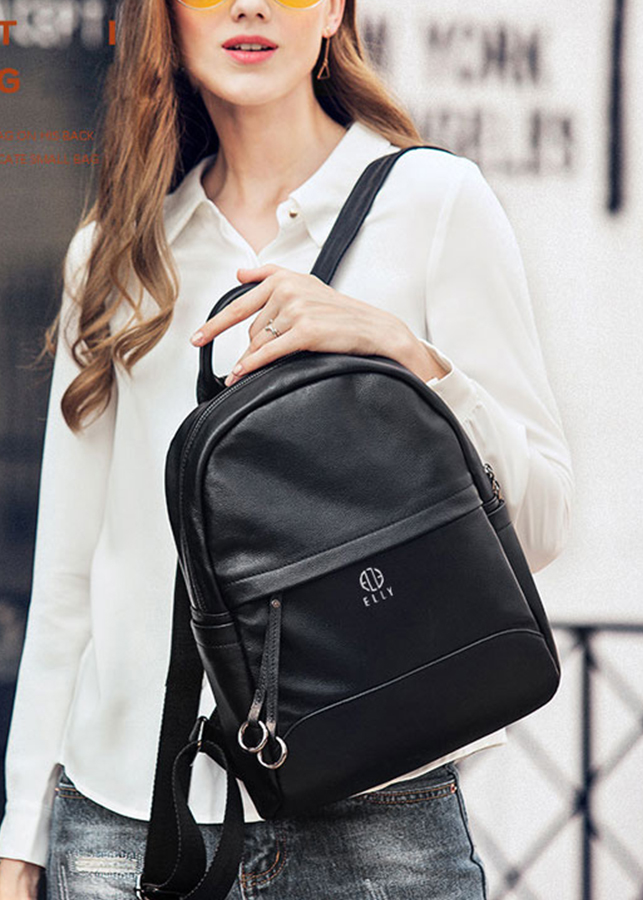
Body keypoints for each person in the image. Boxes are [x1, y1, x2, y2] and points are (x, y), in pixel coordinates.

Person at [0, 0, 575, 897]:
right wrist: (21, 838)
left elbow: (538, 525)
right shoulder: (114, 254)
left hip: (378, 816)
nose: (249, 4)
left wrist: (402, 352)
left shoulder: (433, 204)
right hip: (126, 822)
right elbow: (71, 578)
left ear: (334, 11)